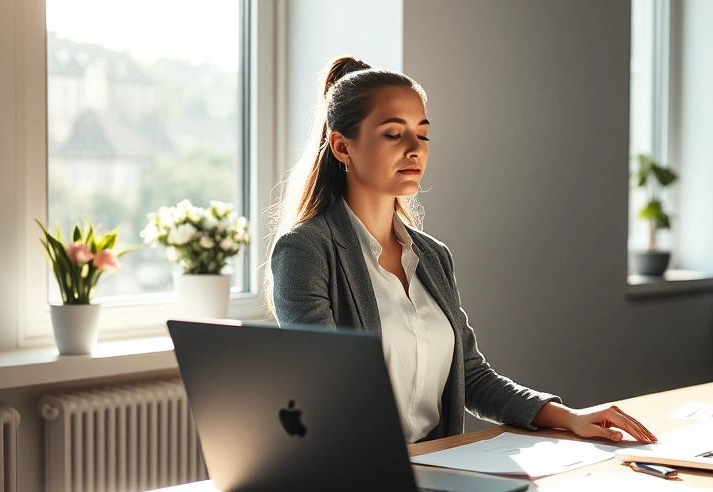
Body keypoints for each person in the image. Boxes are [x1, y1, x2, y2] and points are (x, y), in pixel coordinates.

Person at [268, 55, 658, 445]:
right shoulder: (306, 251)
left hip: (436, 468)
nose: (414, 149)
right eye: (393, 134)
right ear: (341, 146)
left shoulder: (432, 257)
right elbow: (323, 392)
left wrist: (569, 417)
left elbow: (470, 376)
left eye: (422, 134)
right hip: (358, 473)